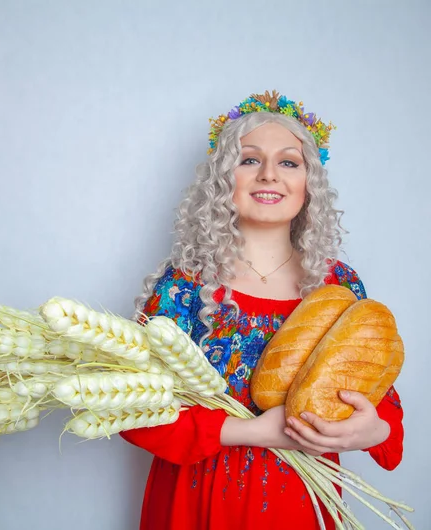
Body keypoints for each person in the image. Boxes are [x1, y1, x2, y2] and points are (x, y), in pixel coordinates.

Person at [120, 90, 404, 530]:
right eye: (249, 160)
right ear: (222, 179)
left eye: (289, 162)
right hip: (196, 500)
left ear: (309, 182)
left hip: (302, 501)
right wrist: (250, 432)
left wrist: (375, 431)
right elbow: (131, 408)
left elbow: (378, 392)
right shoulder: (185, 286)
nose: (269, 174)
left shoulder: (338, 286)